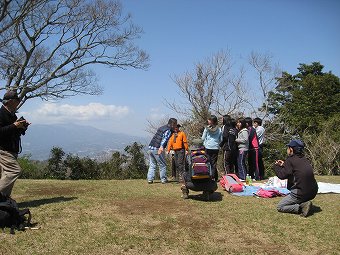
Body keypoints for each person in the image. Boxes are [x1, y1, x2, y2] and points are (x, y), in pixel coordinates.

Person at [274, 139, 318, 217]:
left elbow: (282, 175)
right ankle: (304, 203)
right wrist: (284, 164)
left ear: (291, 149)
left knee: (280, 206)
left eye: (288, 147)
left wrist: (276, 166)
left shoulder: (290, 160)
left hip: (301, 193)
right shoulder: (304, 159)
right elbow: (295, 169)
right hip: (313, 191)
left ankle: (301, 207)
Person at [0, 90, 30, 201]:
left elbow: (13, 131)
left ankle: (4, 200)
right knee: (14, 171)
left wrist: (22, 126)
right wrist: (14, 125)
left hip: (11, 149)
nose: (18, 102)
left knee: (5, 175)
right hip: (3, 150)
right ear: (11, 101)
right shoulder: (1, 114)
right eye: (17, 100)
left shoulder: (12, 115)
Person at [147, 118, 177, 184]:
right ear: (173, 124)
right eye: (175, 124)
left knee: (152, 164)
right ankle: (163, 179)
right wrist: (161, 147)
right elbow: (165, 139)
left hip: (150, 147)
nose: (176, 126)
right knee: (162, 164)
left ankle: (150, 179)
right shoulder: (168, 130)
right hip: (158, 148)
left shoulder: (162, 128)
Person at [201, 115, 222, 181]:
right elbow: (221, 139)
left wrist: (204, 144)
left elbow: (203, 138)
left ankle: (209, 176)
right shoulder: (219, 129)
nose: (208, 121)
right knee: (214, 163)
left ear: (211, 121)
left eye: (209, 120)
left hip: (208, 147)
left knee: (208, 162)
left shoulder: (207, 129)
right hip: (215, 147)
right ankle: (213, 177)